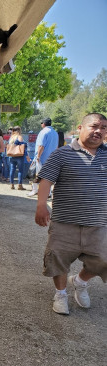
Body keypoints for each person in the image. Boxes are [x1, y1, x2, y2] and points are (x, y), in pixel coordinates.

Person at [35, 113, 107, 315]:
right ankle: (61, 294)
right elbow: (46, 180)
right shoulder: (62, 154)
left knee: (103, 259)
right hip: (65, 221)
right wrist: (41, 205)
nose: (99, 131)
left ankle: (80, 281)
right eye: (94, 126)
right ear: (80, 128)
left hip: (99, 222)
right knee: (57, 258)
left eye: (103, 128)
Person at [27, 118, 58, 196]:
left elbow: (41, 145)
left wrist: (38, 156)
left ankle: (35, 190)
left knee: (33, 173)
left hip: (41, 158)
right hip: (51, 158)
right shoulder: (55, 133)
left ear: (43, 124)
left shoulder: (43, 132)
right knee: (48, 177)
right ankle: (48, 192)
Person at [7, 126, 30, 190]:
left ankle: (12, 184)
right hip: (19, 155)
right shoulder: (19, 137)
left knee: (12, 169)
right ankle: (20, 185)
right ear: (19, 130)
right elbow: (23, 147)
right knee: (20, 170)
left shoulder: (11, 137)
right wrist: (27, 156)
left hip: (12, 155)